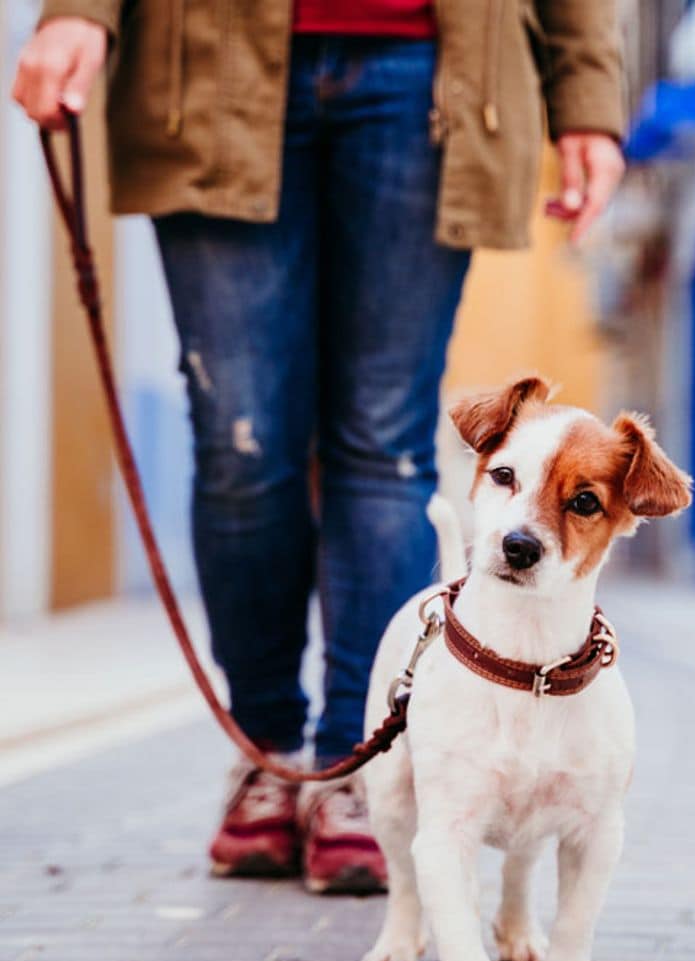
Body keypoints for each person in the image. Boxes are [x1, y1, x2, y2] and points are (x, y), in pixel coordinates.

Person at [12, 1, 626, 894]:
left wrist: (588, 95)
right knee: (241, 441)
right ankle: (266, 752)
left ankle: (351, 764)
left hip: (434, 69)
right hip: (207, 57)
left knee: (384, 445)